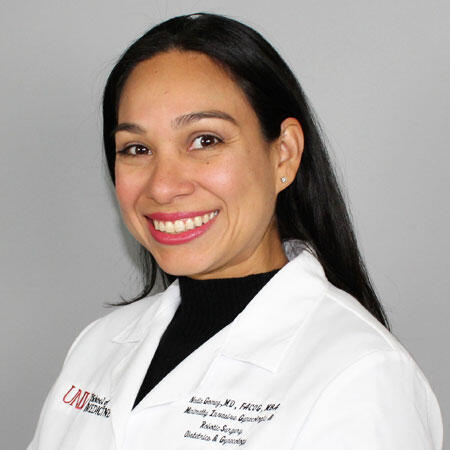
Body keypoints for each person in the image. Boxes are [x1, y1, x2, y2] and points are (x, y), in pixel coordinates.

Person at [27, 12, 443, 449]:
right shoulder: (96, 347)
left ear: (284, 154)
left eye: (205, 140)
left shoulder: (360, 377)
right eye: (137, 148)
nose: (163, 186)